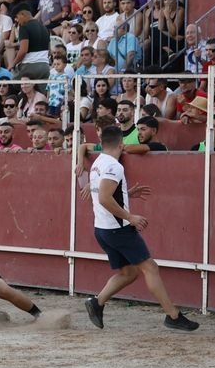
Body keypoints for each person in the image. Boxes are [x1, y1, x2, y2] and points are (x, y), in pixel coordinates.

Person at [85, 125, 199, 331]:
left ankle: (97, 302)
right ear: (121, 144)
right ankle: (173, 316)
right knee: (150, 267)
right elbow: (104, 197)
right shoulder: (114, 165)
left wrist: (126, 193)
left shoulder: (98, 163)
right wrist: (130, 217)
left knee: (129, 273)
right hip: (117, 228)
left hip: (102, 229)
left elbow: (105, 193)